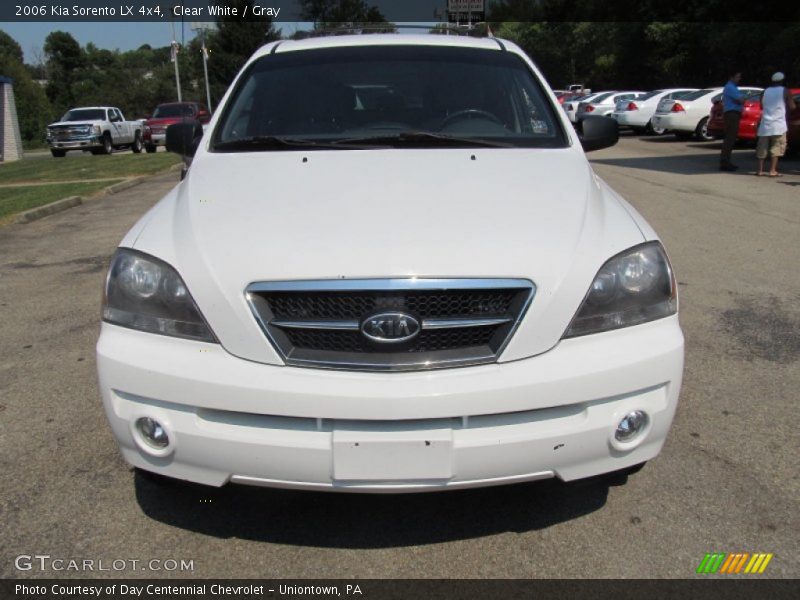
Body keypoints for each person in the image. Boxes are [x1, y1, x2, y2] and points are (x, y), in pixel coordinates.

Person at [756, 72, 796, 177]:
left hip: (765, 124)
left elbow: (761, 105)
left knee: (762, 148)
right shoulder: (785, 91)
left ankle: (760, 170)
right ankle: (772, 170)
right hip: (779, 124)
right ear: (782, 81)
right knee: (776, 147)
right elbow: (792, 107)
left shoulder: (765, 91)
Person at [720, 71, 744, 171]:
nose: (739, 79)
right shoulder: (730, 87)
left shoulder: (733, 87)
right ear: (731, 77)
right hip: (732, 114)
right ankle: (725, 162)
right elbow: (740, 100)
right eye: (737, 77)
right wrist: (743, 99)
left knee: (731, 138)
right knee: (730, 138)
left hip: (733, 113)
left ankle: (726, 161)